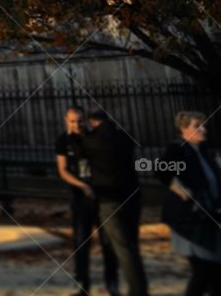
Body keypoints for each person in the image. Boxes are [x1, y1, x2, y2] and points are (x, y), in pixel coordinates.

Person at [80, 109, 148, 296]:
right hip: (132, 194)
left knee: (122, 246)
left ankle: (137, 289)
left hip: (109, 197)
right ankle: (136, 285)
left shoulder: (91, 141)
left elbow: (82, 154)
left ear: (92, 122)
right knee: (131, 243)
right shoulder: (124, 137)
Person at [55, 106, 119, 296]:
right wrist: (82, 186)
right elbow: (63, 169)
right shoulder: (64, 140)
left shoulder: (95, 137)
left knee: (108, 242)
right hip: (80, 198)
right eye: (73, 121)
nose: (77, 125)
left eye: (80, 120)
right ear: (66, 120)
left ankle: (112, 283)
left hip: (102, 196)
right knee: (81, 241)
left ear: (86, 120)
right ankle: (82, 285)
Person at [158, 110, 221, 296]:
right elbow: (161, 170)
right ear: (183, 129)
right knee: (204, 272)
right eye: (197, 126)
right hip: (189, 222)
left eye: (204, 125)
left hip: (208, 219)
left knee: (214, 274)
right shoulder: (178, 149)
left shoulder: (203, 151)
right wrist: (181, 190)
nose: (203, 129)